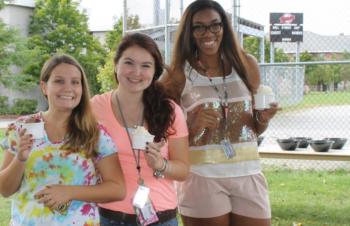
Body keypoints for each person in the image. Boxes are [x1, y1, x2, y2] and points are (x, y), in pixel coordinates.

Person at [160, 1, 280, 226]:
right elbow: (159, 127)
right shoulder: (178, 73)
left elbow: (254, 128)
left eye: (215, 25)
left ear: (224, 27)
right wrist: (191, 124)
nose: (209, 33)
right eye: (199, 27)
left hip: (248, 172)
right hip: (202, 176)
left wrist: (263, 119)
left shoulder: (246, 64)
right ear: (189, 32)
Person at [0, 54, 126, 226]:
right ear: (44, 87)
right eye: (59, 81)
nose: (68, 88)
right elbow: (5, 190)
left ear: (82, 88)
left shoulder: (94, 133)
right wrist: (20, 158)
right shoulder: (22, 128)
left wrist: (69, 192)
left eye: (75, 82)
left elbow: (118, 189)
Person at [90, 33, 189, 226]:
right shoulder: (95, 107)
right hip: (109, 216)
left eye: (145, 66)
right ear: (116, 64)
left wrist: (161, 165)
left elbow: (183, 170)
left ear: (154, 72)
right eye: (129, 63)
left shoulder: (169, 110)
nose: (136, 72)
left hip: (160, 217)